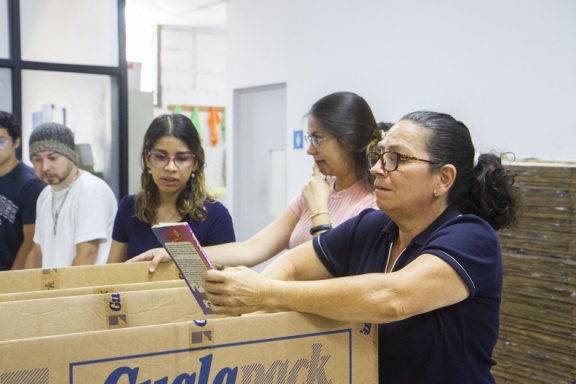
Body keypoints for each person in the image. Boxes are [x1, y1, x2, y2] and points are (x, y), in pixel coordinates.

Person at [200, 111, 522, 383]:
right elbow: (294, 265)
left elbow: (393, 298)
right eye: (379, 155)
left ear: (443, 179)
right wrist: (258, 298)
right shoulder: (370, 226)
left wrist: (269, 293)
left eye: (396, 158)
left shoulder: (471, 237)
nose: (378, 168)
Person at [130, 92, 384, 269]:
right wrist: (177, 254)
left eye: (318, 139)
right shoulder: (314, 192)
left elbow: (335, 267)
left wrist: (319, 209)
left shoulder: (374, 203)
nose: (310, 150)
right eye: (310, 139)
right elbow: (251, 249)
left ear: (349, 140)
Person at [107, 114, 235, 263]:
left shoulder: (215, 215)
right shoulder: (129, 208)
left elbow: (228, 279)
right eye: (160, 157)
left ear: (195, 163)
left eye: (182, 159)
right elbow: (112, 274)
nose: (170, 167)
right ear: (148, 159)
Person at [26, 122, 117, 268]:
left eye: (53, 158)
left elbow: (87, 256)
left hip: (83, 289)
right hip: (52, 288)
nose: (45, 167)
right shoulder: (45, 195)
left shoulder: (91, 191)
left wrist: (65, 291)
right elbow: (37, 253)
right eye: (37, 160)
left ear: (71, 157)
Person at [0, 111, 46, 270]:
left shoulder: (30, 184)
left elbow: (31, 241)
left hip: (10, 278)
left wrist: (12, 281)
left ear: (16, 142)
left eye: (1, 141)